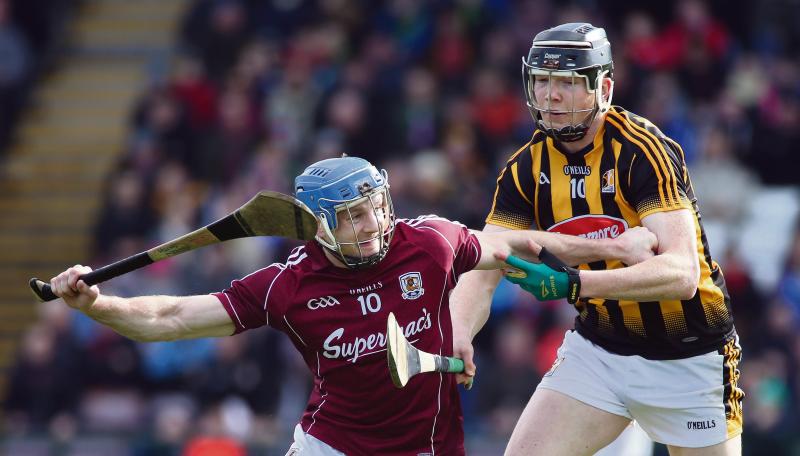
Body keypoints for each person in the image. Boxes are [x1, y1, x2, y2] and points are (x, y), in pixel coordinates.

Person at [48, 156, 654, 455]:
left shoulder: (430, 241)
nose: (375, 225)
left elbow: (516, 244)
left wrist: (612, 244)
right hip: (332, 447)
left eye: (378, 207)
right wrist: (100, 304)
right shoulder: (288, 286)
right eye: (355, 216)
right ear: (319, 226)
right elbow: (173, 317)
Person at [450, 23, 743, 455]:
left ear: (602, 87)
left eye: (567, 83)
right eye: (542, 80)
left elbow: (681, 273)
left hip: (690, 354)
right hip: (599, 349)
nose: (550, 95)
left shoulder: (642, 151)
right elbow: (488, 258)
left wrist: (577, 284)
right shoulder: (524, 168)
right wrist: (459, 329)